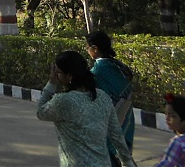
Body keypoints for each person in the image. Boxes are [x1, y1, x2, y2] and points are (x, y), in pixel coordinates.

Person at [37, 50, 136, 167]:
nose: (55, 76)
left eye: (57, 72)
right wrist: (126, 161)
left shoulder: (63, 101)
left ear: (69, 76)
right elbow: (116, 135)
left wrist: (51, 83)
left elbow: (40, 112)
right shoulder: (102, 97)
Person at [87, 31, 135, 164]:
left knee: (109, 154)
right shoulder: (116, 65)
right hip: (125, 113)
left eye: (88, 47)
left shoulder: (100, 68)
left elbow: (88, 87)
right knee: (122, 154)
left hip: (111, 117)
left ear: (95, 49)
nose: (87, 50)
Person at [153, 94, 185, 167]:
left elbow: (165, 164)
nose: (167, 118)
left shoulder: (177, 143)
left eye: (172, 116)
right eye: (166, 114)